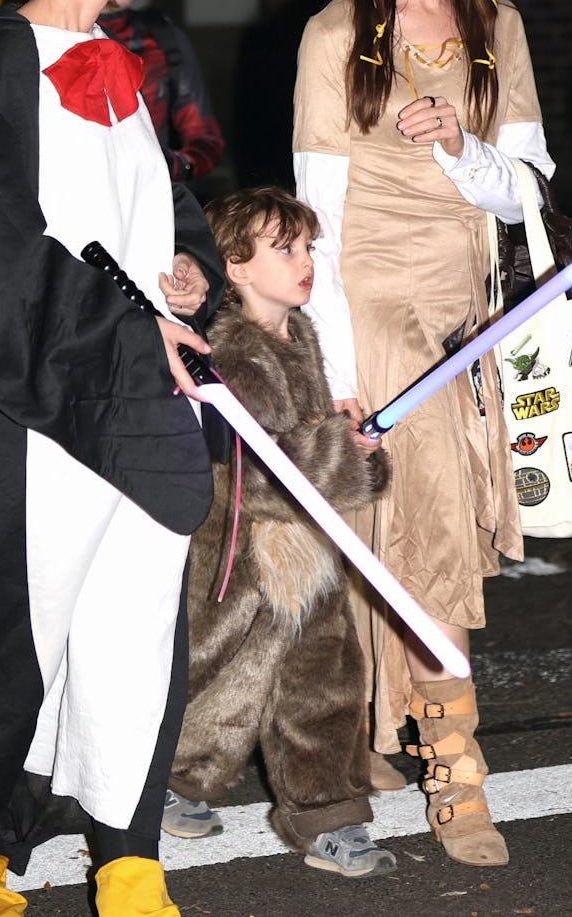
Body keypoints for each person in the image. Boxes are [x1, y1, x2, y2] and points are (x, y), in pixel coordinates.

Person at [292, 0, 556, 867]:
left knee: (404, 529)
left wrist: (461, 147)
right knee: (433, 527)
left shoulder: (501, 25)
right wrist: (341, 375)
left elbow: (529, 192)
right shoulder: (331, 35)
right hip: (375, 308)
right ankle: (456, 762)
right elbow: (319, 215)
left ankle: (371, 728)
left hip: (471, 306)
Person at [0, 0, 224, 917]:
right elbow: (8, 252)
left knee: (136, 624)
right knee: (24, 622)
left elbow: (170, 219)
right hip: (40, 405)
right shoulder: (2, 62)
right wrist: (136, 335)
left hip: (142, 389)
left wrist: (194, 274)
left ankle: (128, 852)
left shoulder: (121, 62)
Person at [165, 185, 397, 879]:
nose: (305, 262)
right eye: (285, 248)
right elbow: (250, 472)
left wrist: (359, 456)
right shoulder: (229, 350)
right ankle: (176, 778)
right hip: (242, 555)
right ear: (235, 266)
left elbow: (316, 446)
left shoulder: (302, 335)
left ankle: (329, 815)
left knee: (323, 680)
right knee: (218, 672)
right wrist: (337, 452)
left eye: (307, 247)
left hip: (308, 549)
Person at [98, 3, 225, 183]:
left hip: (150, 197)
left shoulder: (158, 33)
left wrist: (172, 166)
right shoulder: (51, 34)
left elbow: (206, 138)